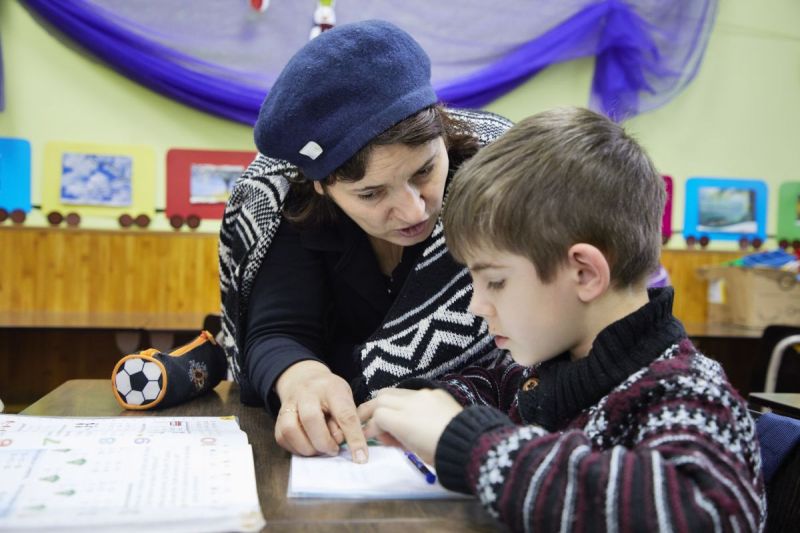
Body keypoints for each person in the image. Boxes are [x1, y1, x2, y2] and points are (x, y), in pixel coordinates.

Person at [359, 107, 766, 531]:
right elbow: (495, 386)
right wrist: (422, 405)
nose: (476, 306)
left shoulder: (687, 395)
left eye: (495, 281)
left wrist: (467, 442)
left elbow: (700, 514)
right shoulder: (553, 365)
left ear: (584, 273)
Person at [218, 19, 512, 463]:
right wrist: (301, 377)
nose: (415, 211)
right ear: (322, 188)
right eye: (372, 194)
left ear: (443, 136)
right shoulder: (287, 202)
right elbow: (277, 330)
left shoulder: (506, 179)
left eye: (425, 171)